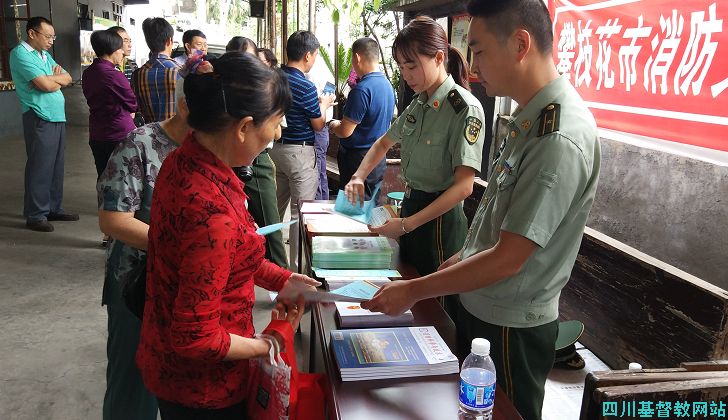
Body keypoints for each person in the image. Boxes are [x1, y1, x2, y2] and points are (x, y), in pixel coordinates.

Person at [362, 1, 601, 419]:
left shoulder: (558, 136)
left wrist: (414, 290)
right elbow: (495, 221)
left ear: (521, 44)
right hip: (480, 304)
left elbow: (510, 258)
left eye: (479, 49)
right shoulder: (530, 120)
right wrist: (456, 261)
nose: (471, 64)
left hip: (509, 323)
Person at [136, 52, 320, 419]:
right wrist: (265, 344)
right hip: (204, 389)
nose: (278, 133)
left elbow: (227, 257)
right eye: (276, 122)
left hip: (168, 366)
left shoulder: (185, 160)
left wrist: (283, 278)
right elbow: (197, 337)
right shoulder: (211, 211)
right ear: (243, 127)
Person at [344, 16, 485, 279]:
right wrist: (358, 176)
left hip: (440, 223)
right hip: (410, 210)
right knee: (408, 287)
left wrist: (407, 224)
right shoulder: (419, 104)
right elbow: (383, 143)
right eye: (401, 66)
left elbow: (464, 187)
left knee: (437, 303)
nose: (406, 75)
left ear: (439, 58)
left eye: (412, 66)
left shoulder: (464, 109)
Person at [96, 71, 192, 420]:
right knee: (133, 388)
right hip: (137, 285)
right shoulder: (140, 145)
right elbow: (114, 220)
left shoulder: (211, 149)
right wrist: (181, 245)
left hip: (186, 288)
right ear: (184, 106)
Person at [269, 30, 335, 270]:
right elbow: (318, 125)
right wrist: (324, 105)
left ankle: (270, 265)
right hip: (299, 154)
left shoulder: (272, 77)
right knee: (301, 215)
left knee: (273, 210)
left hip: (274, 150)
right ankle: (298, 271)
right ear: (308, 55)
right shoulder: (305, 86)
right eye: (316, 55)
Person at [224, 36, 289, 269]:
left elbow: (277, 134)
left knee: (267, 225)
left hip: (256, 158)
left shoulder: (266, 88)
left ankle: (282, 278)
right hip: (229, 160)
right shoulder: (219, 90)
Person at [9, 16, 77, 232]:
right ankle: (36, 214)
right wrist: (52, 80)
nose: (51, 41)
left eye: (53, 37)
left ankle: (53, 208)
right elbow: (46, 85)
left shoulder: (44, 55)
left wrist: (53, 80)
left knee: (56, 165)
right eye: (47, 36)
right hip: (39, 115)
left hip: (57, 115)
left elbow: (67, 78)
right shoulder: (20, 54)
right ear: (31, 33)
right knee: (40, 165)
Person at [329, 37, 396, 202]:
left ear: (357, 58)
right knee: (369, 206)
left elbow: (345, 131)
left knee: (353, 210)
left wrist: (333, 124)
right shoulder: (388, 86)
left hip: (357, 160)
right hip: (378, 158)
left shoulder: (361, 90)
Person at [82, 29, 137, 178]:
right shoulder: (113, 75)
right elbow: (132, 102)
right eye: (120, 49)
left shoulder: (88, 72)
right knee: (122, 179)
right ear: (113, 50)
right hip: (118, 133)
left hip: (97, 133)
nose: (122, 53)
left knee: (103, 176)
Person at [132, 18, 180, 123]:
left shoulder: (137, 74)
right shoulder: (179, 71)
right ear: (169, 41)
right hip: (177, 135)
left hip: (151, 134)